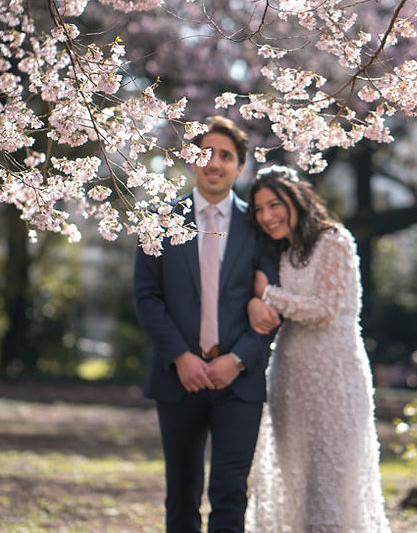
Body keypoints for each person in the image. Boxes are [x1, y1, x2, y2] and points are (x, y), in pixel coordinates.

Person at [134, 116, 278, 533]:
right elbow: (147, 296)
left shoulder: (260, 226)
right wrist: (180, 356)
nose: (214, 163)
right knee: (180, 493)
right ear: (191, 159)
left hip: (240, 380)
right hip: (177, 377)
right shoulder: (159, 217)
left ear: (240, 166)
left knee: (230, 492)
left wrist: (237, 359)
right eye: (205, 153)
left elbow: (272, 303)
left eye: (226, 156)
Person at [244, 165, 391, 533]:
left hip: (335, 375)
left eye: (274, 204)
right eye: (259, 209)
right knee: (293, 475)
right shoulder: (281, 251)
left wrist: (266, 293)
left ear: (297, 199)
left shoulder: (335, 241)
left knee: (331, 479)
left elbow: (324, 310)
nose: (267, 216)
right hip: (289, 374)